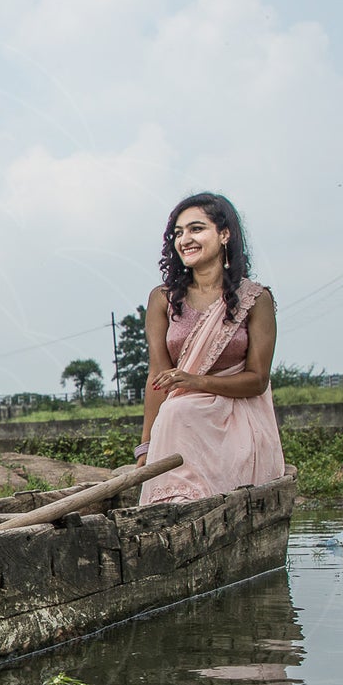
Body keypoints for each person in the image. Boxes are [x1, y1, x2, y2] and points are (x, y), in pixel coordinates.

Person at [132, 192, 285, 504]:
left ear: (224, 234)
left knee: (181, 407)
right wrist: (146, 447)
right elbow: (158, 377)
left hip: (237, 419)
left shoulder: (256, 300)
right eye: (178, 232)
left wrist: (196, 382)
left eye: (196, 229)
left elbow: (257, 380)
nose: (185, 239)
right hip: (179, 424)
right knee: (178, 409)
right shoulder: (162, 298)